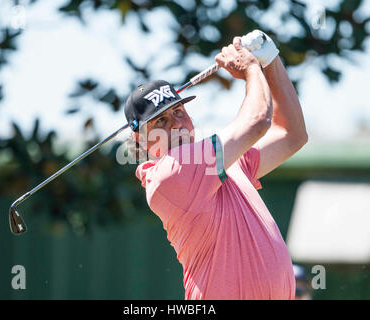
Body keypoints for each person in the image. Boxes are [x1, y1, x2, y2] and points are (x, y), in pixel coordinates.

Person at [124, 30, 308, 300]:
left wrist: (270, 59)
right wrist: (252, 69)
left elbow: (292, 135)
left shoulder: (223, 162)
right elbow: (258, 121)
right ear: (142, 140)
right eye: (161, 121)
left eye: (178, 112)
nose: (176, 124)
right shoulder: (169, 175)